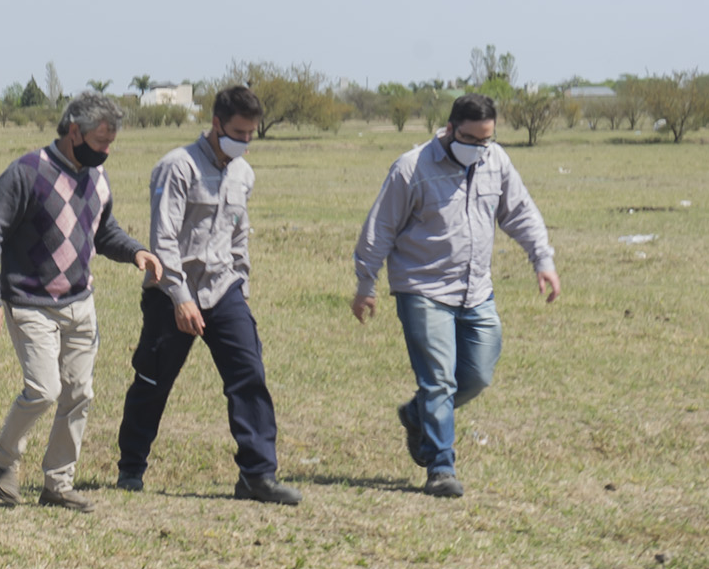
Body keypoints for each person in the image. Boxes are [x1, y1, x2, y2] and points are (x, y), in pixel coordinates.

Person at [351, 92, 559, 498]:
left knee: (477, 376)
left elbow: (520, 212)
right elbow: (380, 228)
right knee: (438, 380)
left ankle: (416, 415)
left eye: (486, 140)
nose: (479, 148)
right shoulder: (411, 168)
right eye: (471, 139)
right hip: (422, 289)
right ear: (450, 129)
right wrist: (365, 284)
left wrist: (543, 260)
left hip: (476, 290)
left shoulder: (495, 161)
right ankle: (441, 468)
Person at [0, 92, 164, 513]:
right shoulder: (26, 173)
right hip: (30, 302)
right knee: (44, 390)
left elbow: (103, 231)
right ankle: (3, 459)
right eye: (100, 141)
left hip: (80, 303)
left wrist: (136, 251)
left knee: (79, 393)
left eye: (111, 143)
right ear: (74, 131)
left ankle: (58, 484)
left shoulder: (98, 178)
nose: (106, 151)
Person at [114, 86, 301, 504]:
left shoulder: (243, 173)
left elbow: (238, 235)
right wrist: (180, 298)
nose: (245, 141)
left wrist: (242, 288)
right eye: (239, 133)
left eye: (251, 134)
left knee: (249, 374)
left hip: (223, 288)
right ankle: (131, 467)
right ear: (217, 124)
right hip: (171, 290)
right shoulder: (177, 167)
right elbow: (163, 239)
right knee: (153, 380)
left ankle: (257, 475)